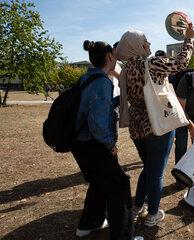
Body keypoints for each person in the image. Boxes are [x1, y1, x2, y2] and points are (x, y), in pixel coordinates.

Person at [114, 25, 194, 227]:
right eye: (146, 40)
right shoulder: (151, 64)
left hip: (137, 128)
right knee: (156, 172)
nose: (149, 43)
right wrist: (189, 39)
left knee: (149, 169)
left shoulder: (125, 70)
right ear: (137, 45)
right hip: (158, 125)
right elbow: (181, 62)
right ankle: (152, 214)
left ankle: (137, 206)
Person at [71, 40, 133, 240]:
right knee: (120, 185)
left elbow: (95, 107)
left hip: (81, 144)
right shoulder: (102, 82)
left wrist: (120, 100)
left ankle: (88, 224)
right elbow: (97, 123)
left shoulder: (88, 78)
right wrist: (110, 145)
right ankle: (122, 236)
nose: (116, 59)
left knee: (99, 183)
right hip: (94, 145)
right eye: (114, 55)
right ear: (108, 57)